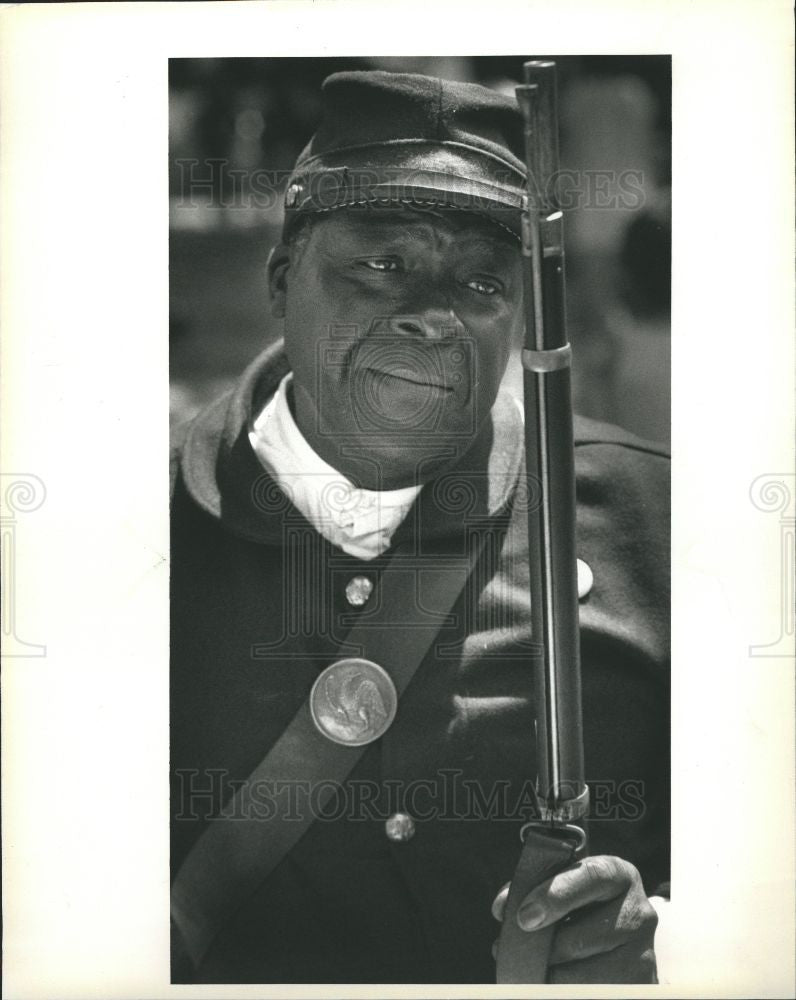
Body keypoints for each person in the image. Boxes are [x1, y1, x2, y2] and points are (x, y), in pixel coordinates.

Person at [170, 69, 670, 985]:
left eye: (481, 281)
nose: (435, 317)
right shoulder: (121, 526)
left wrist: (665, 937)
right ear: (283, 279)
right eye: (383, 264)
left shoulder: (654, 520)